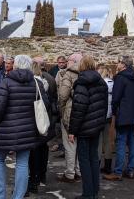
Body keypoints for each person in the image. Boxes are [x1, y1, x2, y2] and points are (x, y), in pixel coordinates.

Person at [0, 55, 49, 199]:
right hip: (28, 130)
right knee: (22, 163)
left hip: (6, 129)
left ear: (15, 66)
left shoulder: (6, 82)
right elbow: (45, 105)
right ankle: (18, 196)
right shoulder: (37, 84)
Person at [69, 55, 108, 199]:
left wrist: (72, 131)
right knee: (93, 158)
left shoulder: (82, 83)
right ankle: (94, 191)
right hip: (96, 126)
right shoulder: (101, 82)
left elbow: (78, 109)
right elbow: (104, 106)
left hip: (85, 128)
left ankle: (88, 193)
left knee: (84, 160)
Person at [103, 56, 134, 181]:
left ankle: (118, 172)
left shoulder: (120, 78)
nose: (117, 63)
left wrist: (114, 112)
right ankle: (130, 170)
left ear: (124, 65)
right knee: (131, 142)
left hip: (123, 114)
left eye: (119, 62)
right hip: (133, 115)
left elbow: (115, 98)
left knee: (120, 142)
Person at [27, 58, 56, 193]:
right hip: (45, 120)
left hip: (34, 120)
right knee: (43, 148)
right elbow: (52, 99)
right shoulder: (50, 79)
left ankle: (34, 178)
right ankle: (41, 176)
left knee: (33, 152)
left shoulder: (32, 83)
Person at [58, 53, 82, 183]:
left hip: (70, 111)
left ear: (73, 61)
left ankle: (70, 173)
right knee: (79, 144)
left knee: (70, 144)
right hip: (83, 113)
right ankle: (78, 170)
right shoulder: (86, 73)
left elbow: (63, 95)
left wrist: (61, 109)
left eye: (68, 61)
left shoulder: (69, 74)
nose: (67, 63)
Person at [97, 65, 114, 174]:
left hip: (99, 114)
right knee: (107, 141)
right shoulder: (113, 83)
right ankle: (108, 166)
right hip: (109, 114)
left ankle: (97, 163)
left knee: (98, 141)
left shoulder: (100, 83)